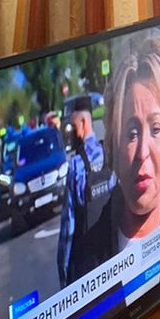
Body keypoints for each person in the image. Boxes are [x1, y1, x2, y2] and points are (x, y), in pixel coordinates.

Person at [67, 31, 160, 283]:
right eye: (131, 134)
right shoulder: (86, 258)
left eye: (155, 129)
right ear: (114, 144)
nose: (142, 152)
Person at [57, 95, 114, 286]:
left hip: (87, 262)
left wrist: (64, 270)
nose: (72, 133)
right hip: (112, 252)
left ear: (83, 122)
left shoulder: (76, 165)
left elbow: (68, 226)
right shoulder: (108, 153)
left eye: (73, 127)